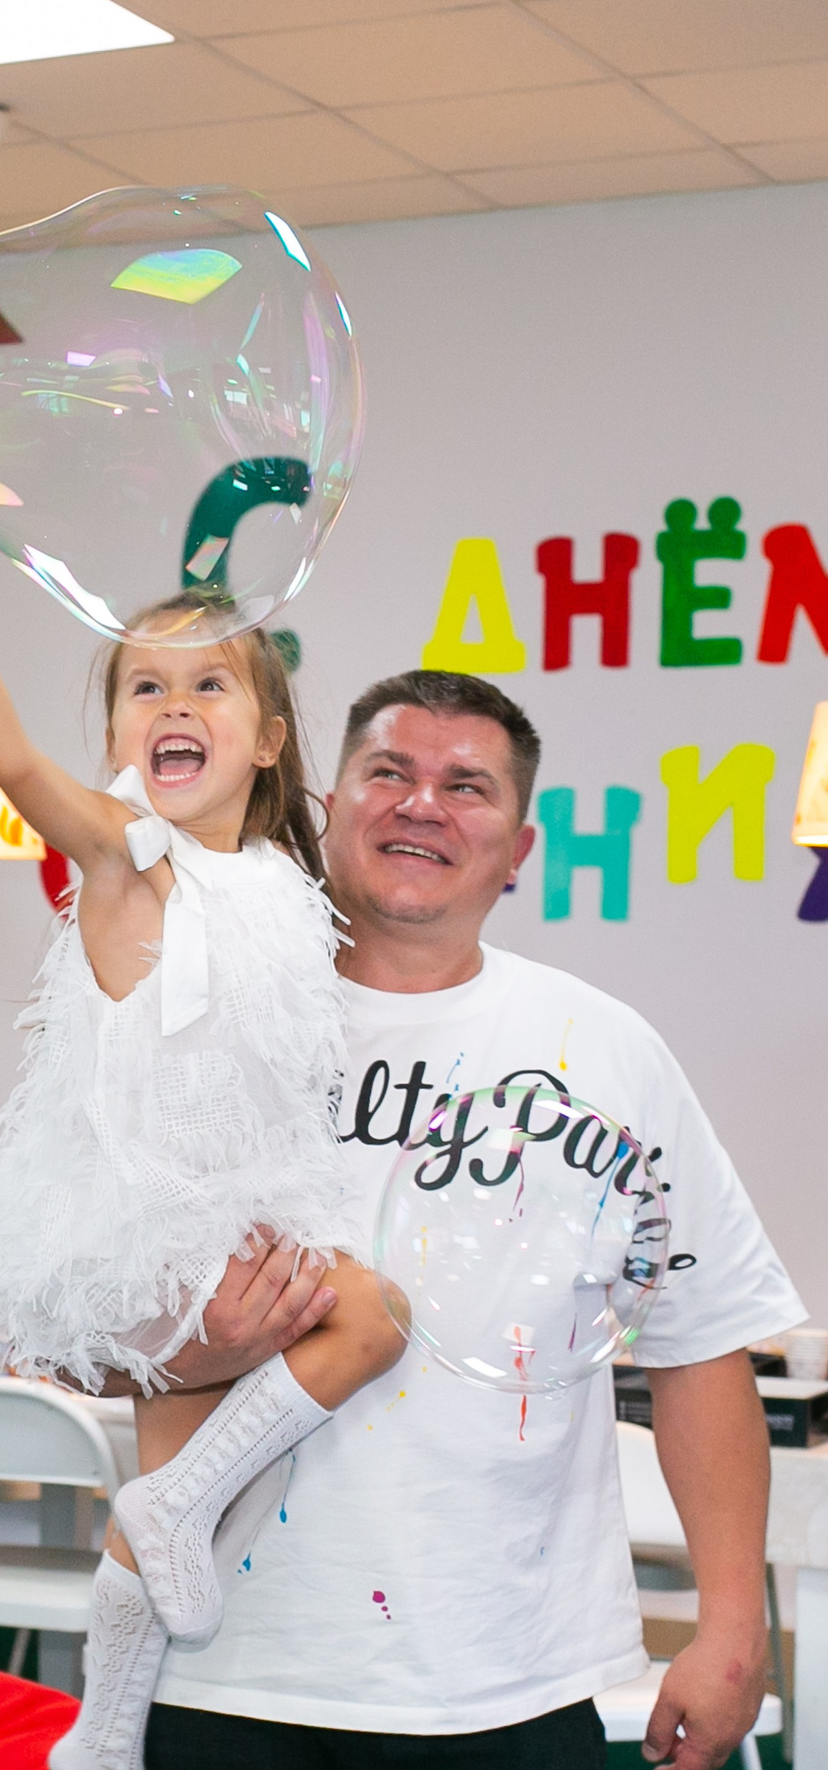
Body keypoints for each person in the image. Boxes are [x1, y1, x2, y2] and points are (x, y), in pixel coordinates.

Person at [142, 669, 801, 1770]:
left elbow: (698, 1342)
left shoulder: (609, 1051)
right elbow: (67, 1332)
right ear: (326, 804)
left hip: (509, 1678)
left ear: (518, 848)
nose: (421, 804)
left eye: (467, 786)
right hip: (228, 1666)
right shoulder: (198, 1029)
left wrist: (733, 1627)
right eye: (387, 772)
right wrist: (196, 1345)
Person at [0, 487, 404, 1770]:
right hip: (146, 1246)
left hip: (221, 1241)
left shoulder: (276, 890)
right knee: (371, 1316)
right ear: (113, 733)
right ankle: (162, 1531)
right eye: (143, 688)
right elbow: (7, 762)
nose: (172, 709)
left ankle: (98, 1741)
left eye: (207, 688)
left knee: (167, 1520)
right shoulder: (124, 861)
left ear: (268, 737)